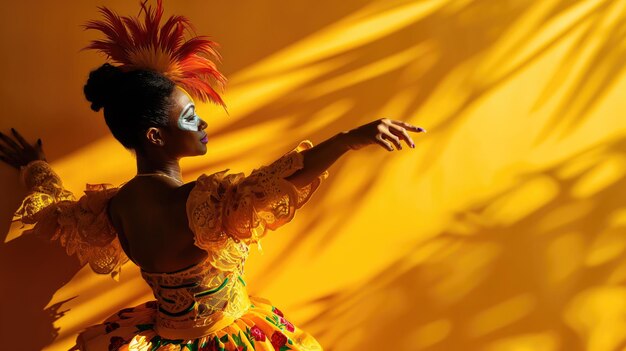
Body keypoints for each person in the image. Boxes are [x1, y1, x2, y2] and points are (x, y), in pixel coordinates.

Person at [0, 1, 425, 350]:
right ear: (155, 135)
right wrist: (350, 138)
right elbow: (278, 180)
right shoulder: (201, 204)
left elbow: (56, 209)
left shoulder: (113, 209)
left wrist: (35, 166)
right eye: (188, 117)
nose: (201, 123)